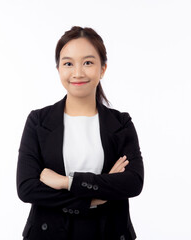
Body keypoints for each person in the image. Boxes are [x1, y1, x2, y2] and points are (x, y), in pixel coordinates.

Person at [16, 26, 144, 240]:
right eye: (68, 63)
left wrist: (68, 182)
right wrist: (93, 198)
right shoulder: (38, 121)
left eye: (88, 62)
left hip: (108, 232)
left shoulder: (121, 123)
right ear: (58, 69)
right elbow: (27, 188)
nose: (77, 72)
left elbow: (133, 182)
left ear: (102, 68)